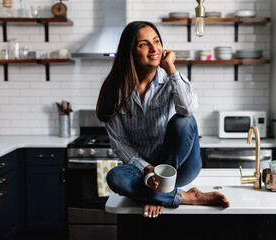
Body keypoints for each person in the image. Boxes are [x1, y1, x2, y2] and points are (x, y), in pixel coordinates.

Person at [96, 21, 230, 218]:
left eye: (156, 41)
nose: (154, 49)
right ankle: (187, 197)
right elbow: (120, 144)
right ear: (130, 51)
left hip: (180, 166)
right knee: (115, 177)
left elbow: (189, 109)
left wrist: (171, 69)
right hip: (145, 171)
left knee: (184, 120)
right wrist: (148, 170)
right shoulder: (114, 90)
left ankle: (160, 192)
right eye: (143, 44)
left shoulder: (170, 77)